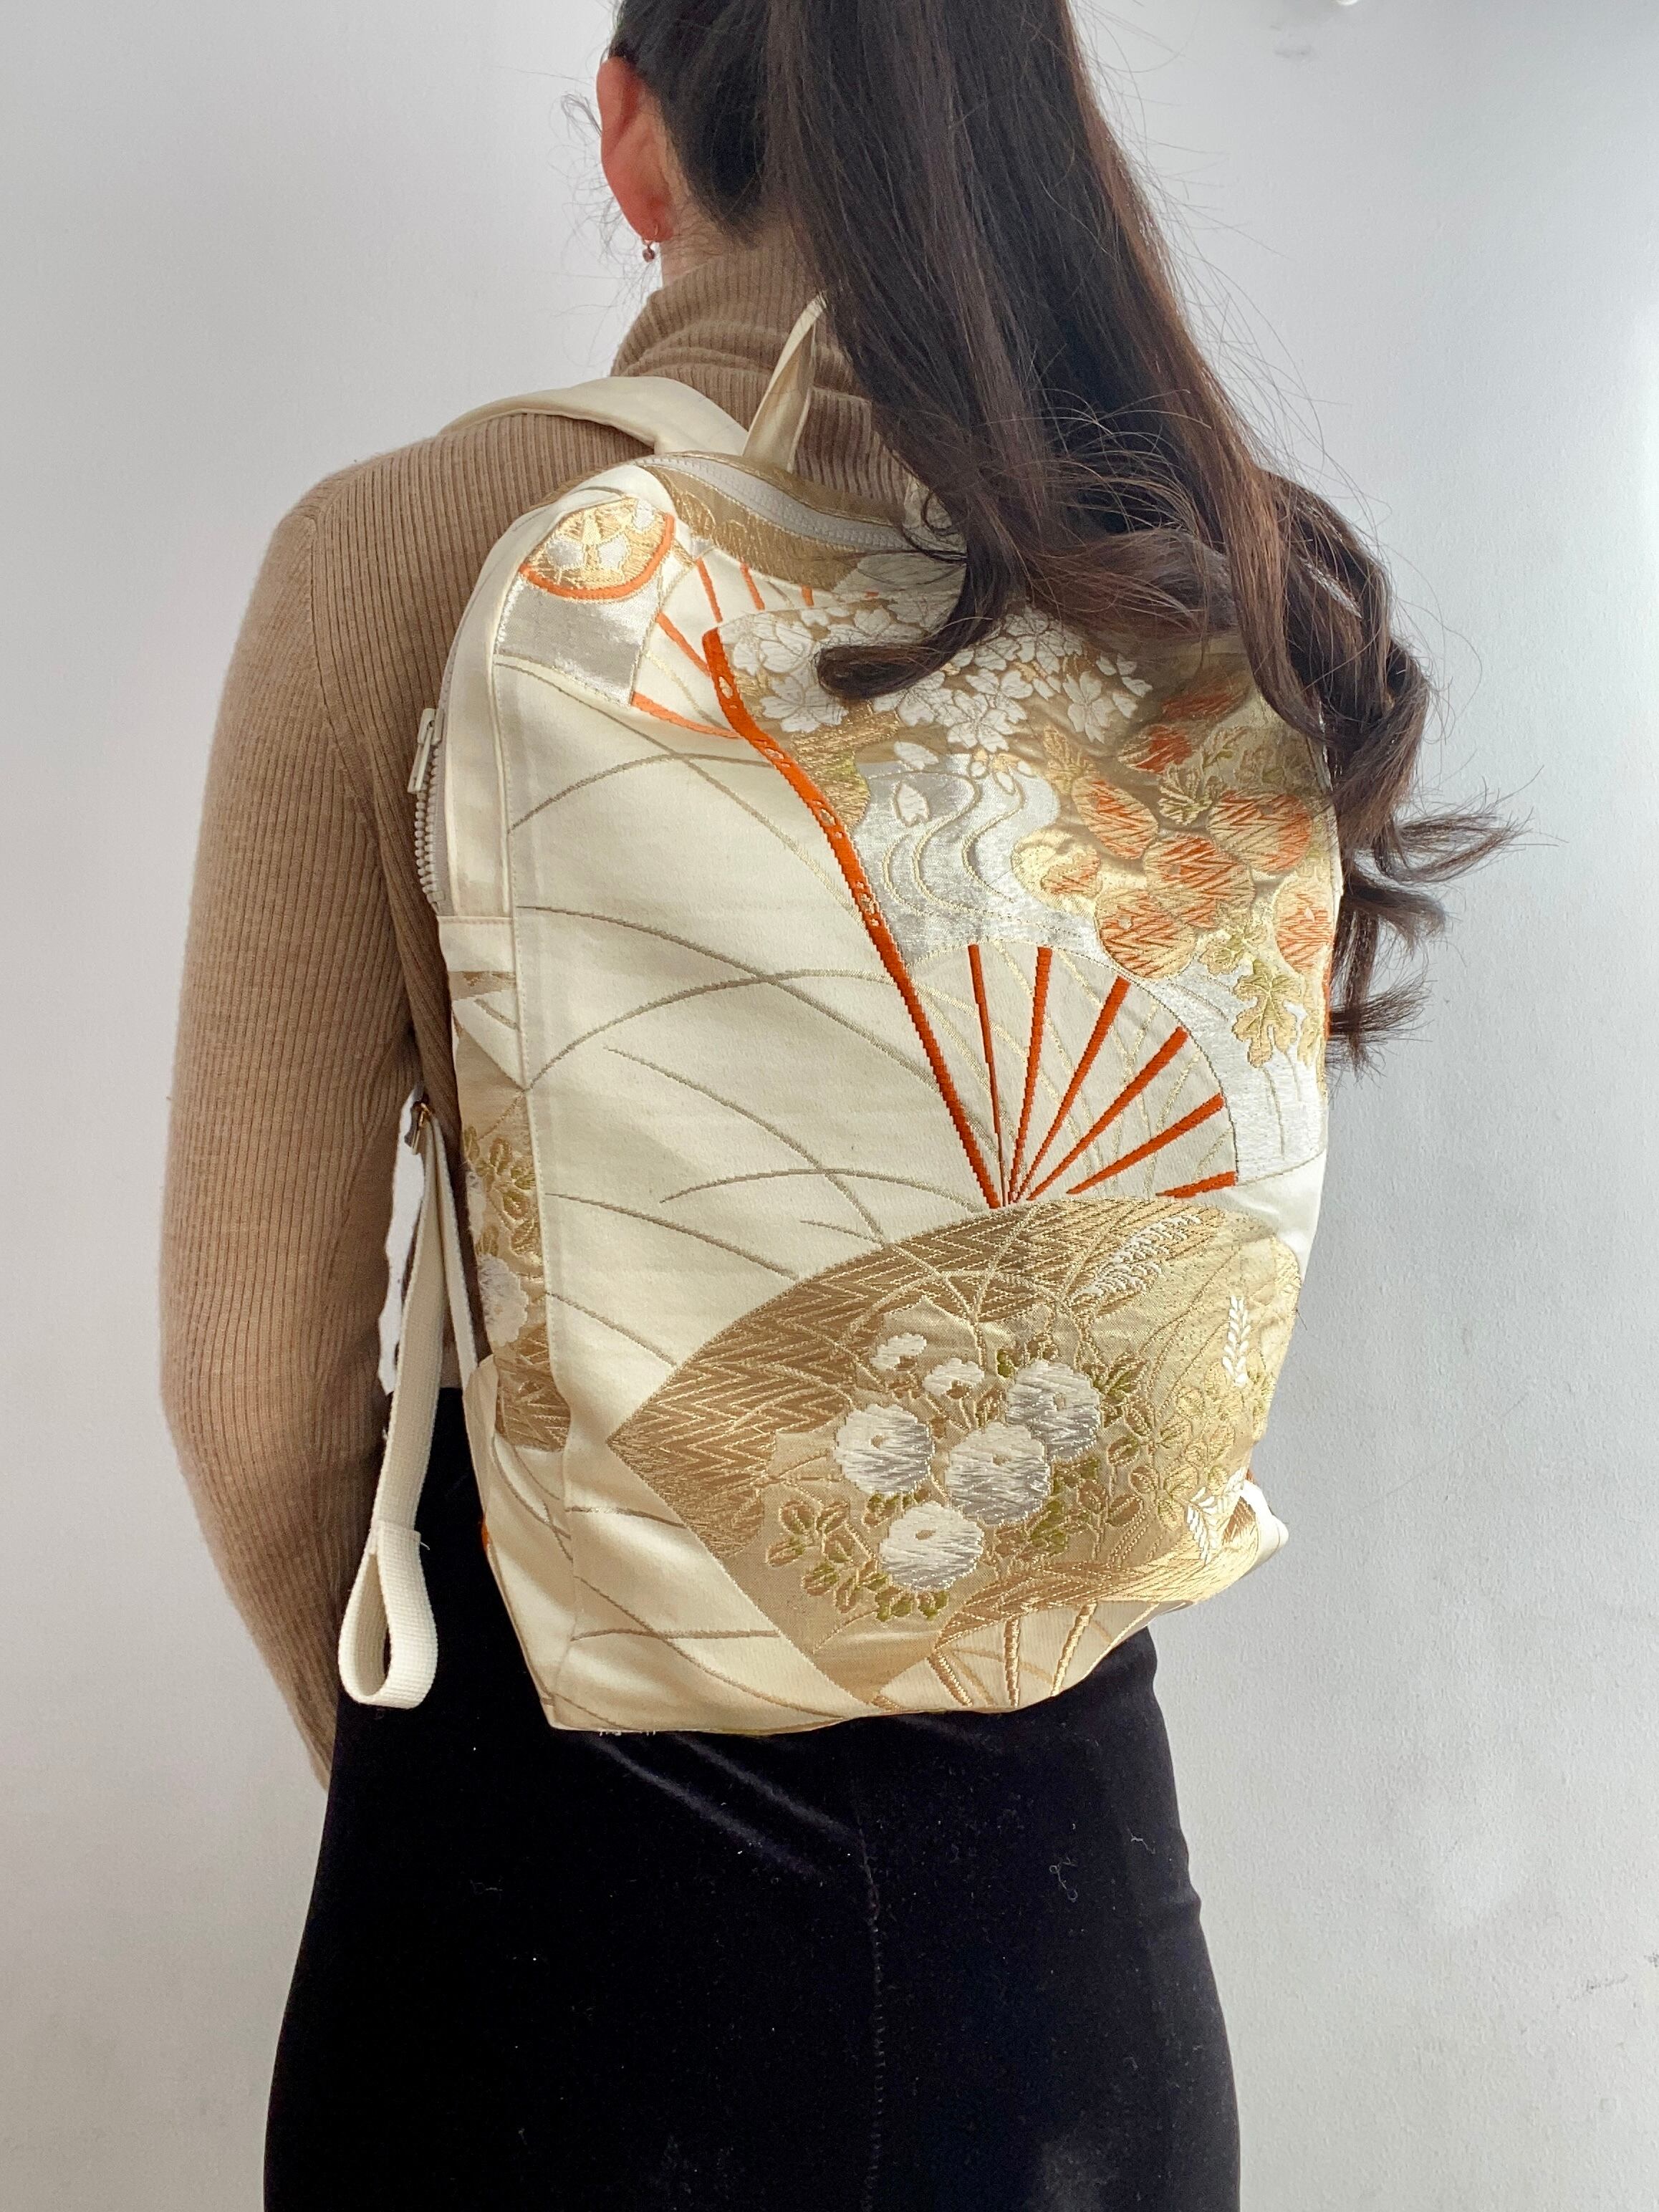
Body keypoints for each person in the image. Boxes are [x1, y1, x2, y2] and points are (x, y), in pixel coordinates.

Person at [163, 3, 1497, 2205]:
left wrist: (454, 1806)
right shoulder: (1196, 559)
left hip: (553, 1900)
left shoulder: (411, 540)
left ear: (633, 141)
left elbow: (252, 1386)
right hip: (1073, 1937)